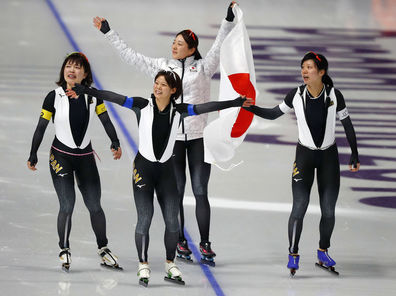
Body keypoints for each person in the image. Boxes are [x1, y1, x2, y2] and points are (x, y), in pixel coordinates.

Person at [66, 70, 252, 286]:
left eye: (163, 84)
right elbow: (114, 97)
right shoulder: (141, 105)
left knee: (173, 222)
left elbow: (206, 107)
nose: (158, 87)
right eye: (156, 83)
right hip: (143, 170)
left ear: (173, 90)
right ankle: (143, 264)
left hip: (166, 173)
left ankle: (170, 264)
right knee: (145, 219)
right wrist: (87, 90)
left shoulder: (180, 111)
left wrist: (235, 102)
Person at [92, 2, 237, 264]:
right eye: (174, 42)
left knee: (201, 189)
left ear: (191, 49)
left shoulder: (204, 66)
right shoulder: (163, 67)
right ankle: (180, 239)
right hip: (173, 143)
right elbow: (132, 57)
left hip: (198, 139)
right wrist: (108, 32)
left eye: (180, 43)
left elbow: (220, 43)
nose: (174, 46)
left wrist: (228, 18)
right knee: (177, 191)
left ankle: (205, 243)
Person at [243, 52, 360, 276]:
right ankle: (293, 253)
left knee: (328, 210)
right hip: (304, 157)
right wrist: (250, 107)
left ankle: (323, 251)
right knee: (300, 205)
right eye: (302, 67)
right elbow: (273, 113)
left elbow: (347, 124)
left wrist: (354, 153)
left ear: (321, 72)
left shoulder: (335, 95)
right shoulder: (295, 95)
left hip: (328, 157)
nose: (304, 71)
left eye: (309, 67)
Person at [27, 52, 122, 272]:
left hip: (85, 158)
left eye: (77, 67)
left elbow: (106, 120)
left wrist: (115, 141)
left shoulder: (93, 96)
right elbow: (41, 127)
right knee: (67, 205)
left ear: (85, 73)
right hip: (60, 157)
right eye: (68, 66)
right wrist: (33, 153)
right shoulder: (54, 96)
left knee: (95, 206)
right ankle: (64, 248)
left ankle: (103, 248)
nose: (71, 70)